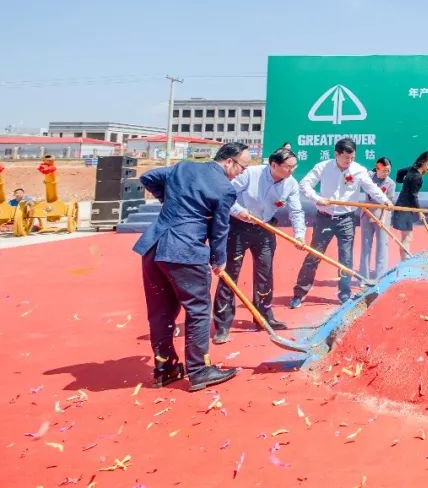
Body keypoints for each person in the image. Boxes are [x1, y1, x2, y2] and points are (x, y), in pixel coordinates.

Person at [134, 142, 250, 392]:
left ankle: (165, 369)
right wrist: (219, 260)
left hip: (154, 247)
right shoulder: (225, 189)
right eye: (242, 166)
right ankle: (199, 370)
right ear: (229, 161)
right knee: (198, 310)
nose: (242, 172)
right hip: (184, 251)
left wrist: (169, 200)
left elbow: (147, 177)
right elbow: (220, 229)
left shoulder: (183, 167)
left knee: (161, 312)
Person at [210, 147, 305, 344]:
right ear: (274, 165)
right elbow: (226, 196)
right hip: (238, 227)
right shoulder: (251, 174)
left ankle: (263, 316)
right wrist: (239, 211)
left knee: (265, 273)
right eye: (288, 167)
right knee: (230, 275)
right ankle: (223, 325)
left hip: (265, 228)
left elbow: (296, 211)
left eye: (294, 167)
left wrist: (300, 235)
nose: (291, 171)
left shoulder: (291, 184)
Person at [290, 139, 392, 307]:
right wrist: (317, 198)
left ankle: (344, 294)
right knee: (314, 255)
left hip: (347, 219)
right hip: (324, 218)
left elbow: (372, 188)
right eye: (345, 158)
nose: (349, 161)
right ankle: (299, 293)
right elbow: (304, 185)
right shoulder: (323, 167)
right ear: (336, 154)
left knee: (346, 258)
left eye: (351, 158)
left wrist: (385, 201)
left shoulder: (358, 170)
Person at [357, 157, 396, 281]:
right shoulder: (368, 177)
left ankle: (380, 277)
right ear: (377, 168)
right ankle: (363, 277)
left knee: (382, 247)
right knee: (366, 246)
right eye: (384, 170)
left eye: (389, 170)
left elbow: (388, 202)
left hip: (382, 217)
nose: (386, 173)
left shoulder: (391, 183)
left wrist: (383, 219)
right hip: (367, 214)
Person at [393, 151, 428, 257]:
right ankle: (405, 261)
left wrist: (403, 181)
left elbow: (399, 173)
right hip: (405, 208)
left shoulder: (411, 169)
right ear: (422, 161)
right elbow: (414, 196)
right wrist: (419, 212)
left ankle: (404, 259)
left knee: (406, 237)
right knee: (407, 238)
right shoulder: (417, 177)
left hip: (402, 206)